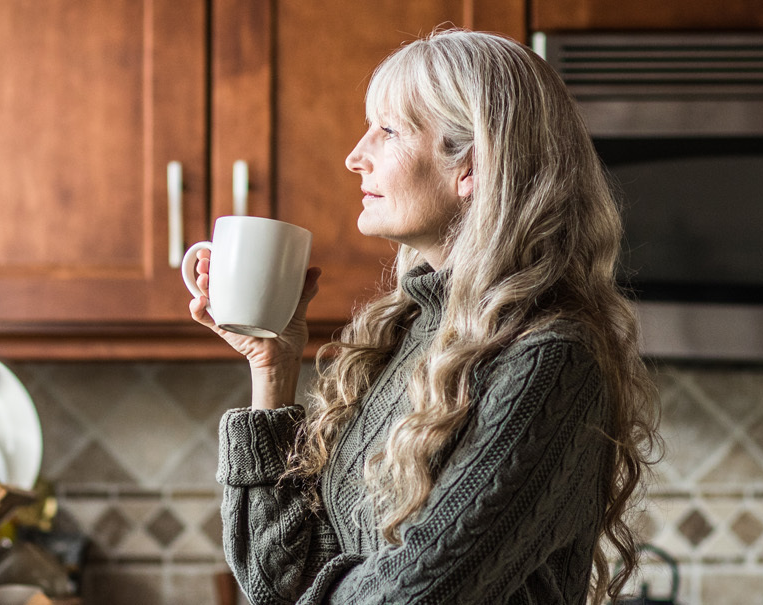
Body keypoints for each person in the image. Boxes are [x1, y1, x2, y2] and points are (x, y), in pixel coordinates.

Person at [186, 28, 658, 605]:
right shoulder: (407, 331)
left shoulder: (549, 356)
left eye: (387, 131)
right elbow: (272, 580)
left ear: (471, 168)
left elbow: (416, 594)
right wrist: (272, 363)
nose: (355, 157)